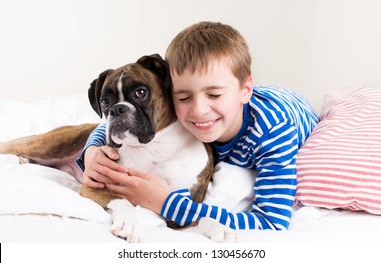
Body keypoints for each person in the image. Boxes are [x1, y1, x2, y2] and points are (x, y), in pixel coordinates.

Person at [77, 21, 319, 230]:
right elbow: (118, 122)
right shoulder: (188, 115)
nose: (199, 110)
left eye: (214, 95)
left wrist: (164, 203)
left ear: (245, 90)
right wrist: (91, 151)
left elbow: (272, 223)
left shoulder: (273, 133)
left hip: (290, 106)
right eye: (183, 98)